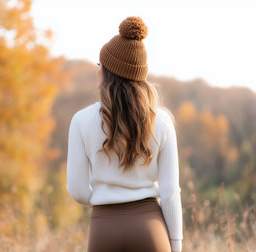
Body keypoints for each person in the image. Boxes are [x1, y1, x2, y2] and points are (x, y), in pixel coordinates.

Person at [66, 16, 183, 252]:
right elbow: (170, 193)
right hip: (150, 228)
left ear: (107, 73)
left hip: (104, 229)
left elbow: (77, 189)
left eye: (99, 65)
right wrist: (176, 244)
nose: (97, 70)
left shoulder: (80, 121)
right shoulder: (162, 121)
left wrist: (105, 198)